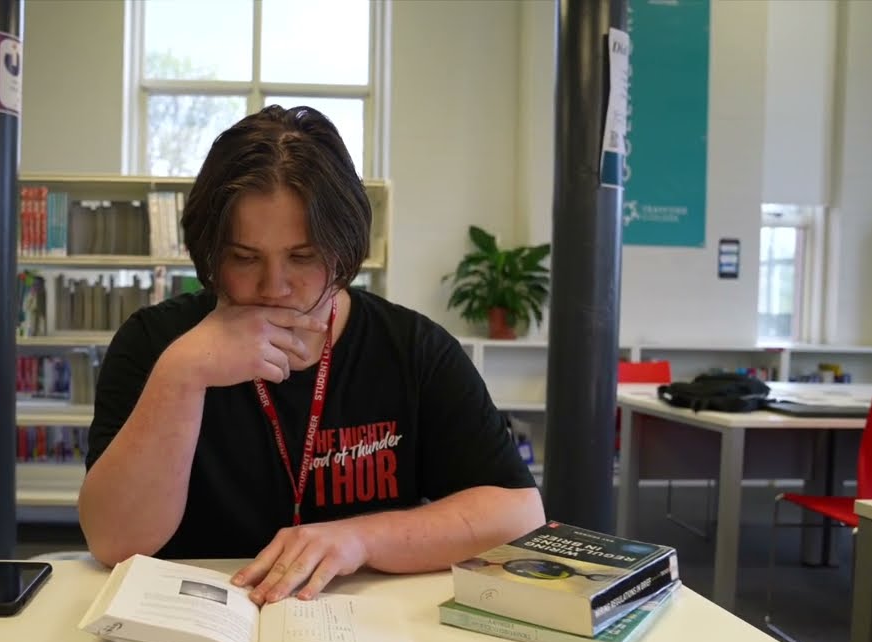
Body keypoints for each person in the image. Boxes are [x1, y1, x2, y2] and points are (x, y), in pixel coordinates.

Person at [79, 105, 545, 605]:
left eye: (303, 257)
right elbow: (114, 542)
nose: (273, 286)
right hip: (192, 627)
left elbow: (518, 515)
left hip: (356, 624)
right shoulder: (155, 344)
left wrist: (361, 538)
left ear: (344, 251)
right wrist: (181, 375)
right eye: (243, 257)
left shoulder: (412, 349)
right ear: (210, 252)